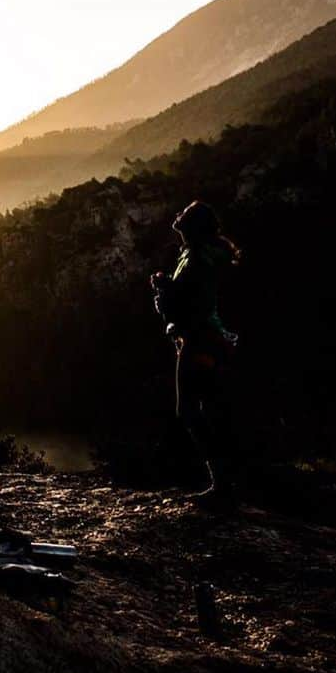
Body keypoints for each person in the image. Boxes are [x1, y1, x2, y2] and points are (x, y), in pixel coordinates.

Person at [151, 200, 241, 510]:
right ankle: (224, 480)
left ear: (191, 226)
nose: (178, 215)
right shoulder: (196, 255)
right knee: (206, 409)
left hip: (199, 339)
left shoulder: (198, 259)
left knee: (189, 410)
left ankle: (222, 481)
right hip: (206, 337)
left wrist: (165, 292)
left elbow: (192, 302)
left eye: (184, 214)